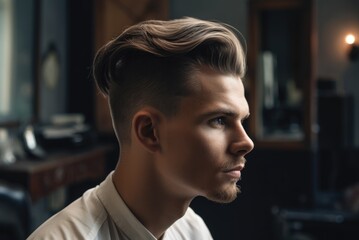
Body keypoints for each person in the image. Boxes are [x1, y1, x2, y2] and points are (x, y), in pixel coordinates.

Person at [27, 17, 254, 240]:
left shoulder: (193, 231)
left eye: (242, 121)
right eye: (219, 120)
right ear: (149, 131)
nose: (246, 143)